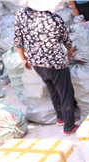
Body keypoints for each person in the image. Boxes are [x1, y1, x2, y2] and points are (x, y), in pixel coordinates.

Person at [14, 0, 79, 135]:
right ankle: (69, 126)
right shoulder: (55, 19)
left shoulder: (22, 14)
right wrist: (69, 55)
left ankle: (61, 117)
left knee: (52, 89)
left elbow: (18, 41)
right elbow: (67, 42)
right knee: (66, 93)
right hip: (56, 63)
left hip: (36, 63)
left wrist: (23, 59)